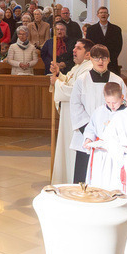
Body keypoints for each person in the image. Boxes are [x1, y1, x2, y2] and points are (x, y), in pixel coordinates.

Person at [69, 45, 126, 183]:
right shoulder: (82, 80)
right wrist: (89, 131)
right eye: (96, 58)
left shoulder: (117, 81)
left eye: (104, 58)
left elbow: (124, 105)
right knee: (83, 176)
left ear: (109, 60)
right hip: (86, 134)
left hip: (111, 137)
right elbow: (75, 105)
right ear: (91, 59)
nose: (100, 61)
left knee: (108, 176)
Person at [51, 39, 94, 184]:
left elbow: (74, 91)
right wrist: (59, 75)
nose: (74, 51)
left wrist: (56, 82)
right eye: (74, 47)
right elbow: (70, 82)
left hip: (74, 117)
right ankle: (65, 178)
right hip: (68, 114)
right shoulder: (78, 67)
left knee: (71, 150)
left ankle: (70, 180)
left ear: (88, 54)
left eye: (79, 48)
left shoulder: (88, 69)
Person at [83, 82, 127, 187]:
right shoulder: (99, 111)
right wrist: (88, 139)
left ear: (122, 97)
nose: (111, 106)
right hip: (100, 155)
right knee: (99, 183)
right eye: (108, 102)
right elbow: (91, 128)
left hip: (117, 156)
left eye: (115, 102)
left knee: (114, 184)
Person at [85, 6, 124, 75]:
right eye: (101, 13)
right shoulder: (91, 30)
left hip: (111, 60)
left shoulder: (116, 29)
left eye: (105, 13)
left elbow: (118, 45)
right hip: (96, 60)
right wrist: (95, 57)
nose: (103, 14)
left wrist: (110, 58)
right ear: (98, 15)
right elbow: (89, 45)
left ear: (108, 15)